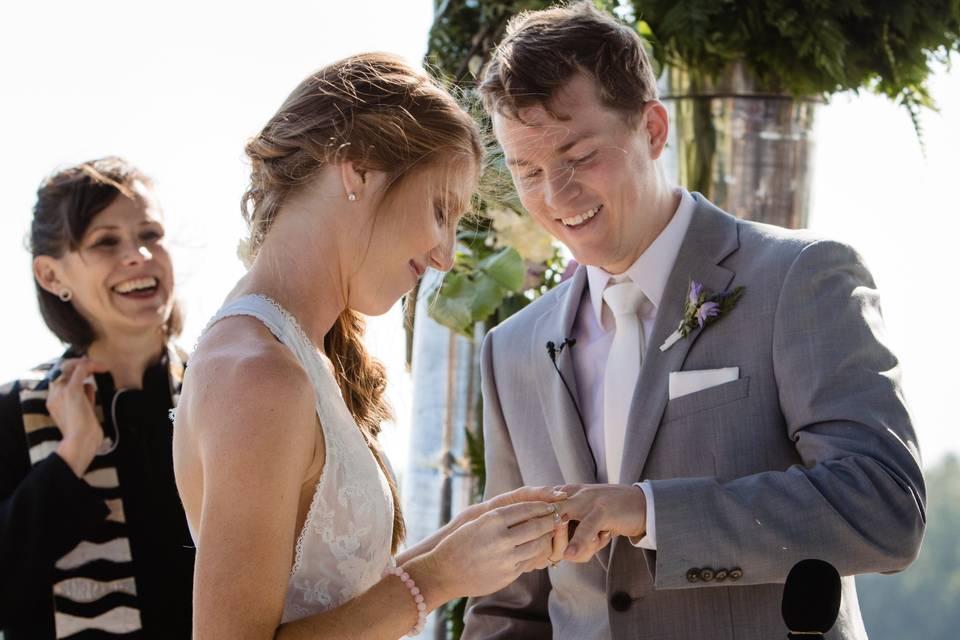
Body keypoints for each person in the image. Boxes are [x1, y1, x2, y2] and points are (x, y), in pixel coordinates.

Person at [462, 3, 926, 639]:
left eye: (580, 155)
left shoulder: (800, 277)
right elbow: (509, 608)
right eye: (528, 171)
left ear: (653, 129)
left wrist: (650, 510)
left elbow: (884, 508)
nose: (556, 195)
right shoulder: (510, 349)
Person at [172, 52, 567, 640]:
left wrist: (459, 552)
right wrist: (435, 577)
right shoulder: (255, 373)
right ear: (357, 169)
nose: (445, 256)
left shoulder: (301, 357)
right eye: (440, 210)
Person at [0, 157, 195, 639]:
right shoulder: (13, 414)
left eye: (150, 235)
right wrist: (70, 457)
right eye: (106, 242)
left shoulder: (221, 392)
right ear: (51, 276)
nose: (139, 256)